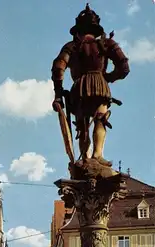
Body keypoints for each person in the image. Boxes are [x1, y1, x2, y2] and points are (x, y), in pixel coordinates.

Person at [51, 4, 129, 166]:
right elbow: (124, 67)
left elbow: (58, 68)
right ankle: (97, 155)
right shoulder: (107, 44)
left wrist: (58, 94)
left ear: (78, 30)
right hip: (100, 86)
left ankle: (85, 158)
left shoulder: (71, 47)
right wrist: (107, 77)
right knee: (100, 119)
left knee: (83, 125)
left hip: (79, 88)